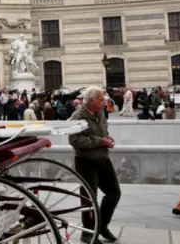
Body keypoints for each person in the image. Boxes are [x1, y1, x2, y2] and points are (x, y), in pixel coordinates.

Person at [69, 86, 120, 244]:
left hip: (103, 159)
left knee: (114, 193)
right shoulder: (78, 116)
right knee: (89, 199)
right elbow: (74, 140)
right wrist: (100, 141)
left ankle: (102, 226)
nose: (104, 102)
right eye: (101, 99)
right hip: (86, 162)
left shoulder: (100, 113)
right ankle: (88, 232)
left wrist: (108, 139)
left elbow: (104, 132)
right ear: (91, 101)